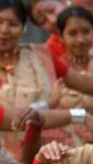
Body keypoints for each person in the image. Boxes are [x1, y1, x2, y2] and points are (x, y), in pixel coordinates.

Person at [0, 0, 93, 157]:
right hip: (20, 162)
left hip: (68, 150)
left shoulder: (42, 55)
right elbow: (12, 117)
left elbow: (84, 83)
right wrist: (62, 109)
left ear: (23, 29)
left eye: (13, 24)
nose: (4, 30)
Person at [52, 6, 93, 144]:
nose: (81, 40)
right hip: (65, 150)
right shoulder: (52, 71)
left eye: (86, 31)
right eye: (72, 33)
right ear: (60, 36)